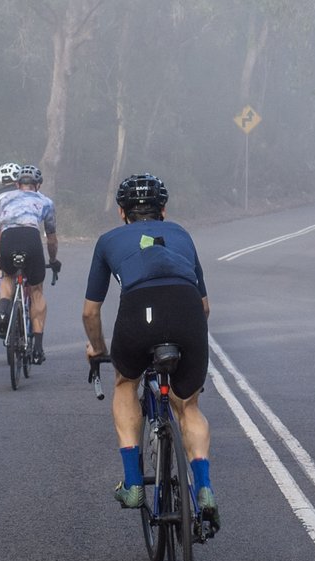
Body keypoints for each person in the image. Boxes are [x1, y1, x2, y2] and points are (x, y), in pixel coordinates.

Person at [82, 173, 219, 531]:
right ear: (164, 210)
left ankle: (132, 485)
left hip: (138, 311)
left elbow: (90, 311)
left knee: (126, 382)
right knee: (187, 405)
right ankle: (203, 488)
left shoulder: (108, 240)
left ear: (121, 213)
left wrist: (97, 349)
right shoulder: (182, 234)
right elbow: (204, 306)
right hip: (186, 309)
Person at [0, 166, 59, 364]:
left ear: (16, 184)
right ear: (38, 185)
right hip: (31, 238)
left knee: (7, 276)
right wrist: (52, 260)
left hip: (8, 239)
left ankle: (4, 313)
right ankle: (38, 348)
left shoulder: (4, 200)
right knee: (36, 290)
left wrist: (3, 256)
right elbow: (51, 239)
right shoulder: (45, 202)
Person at [0, 162, 23, 301]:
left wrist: (0, 253)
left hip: (6, 239)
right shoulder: (27, 194)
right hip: (29, 239)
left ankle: (0, 288)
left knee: (0, 260)